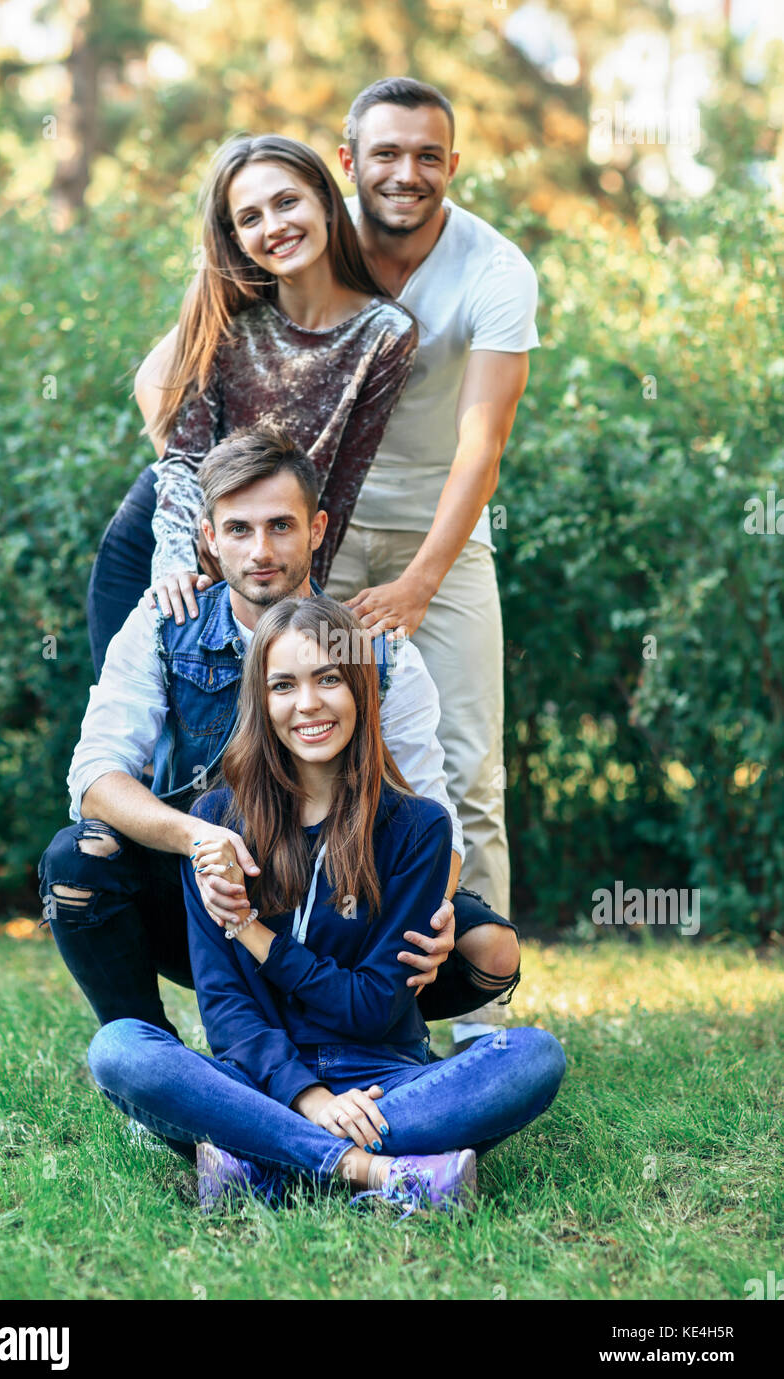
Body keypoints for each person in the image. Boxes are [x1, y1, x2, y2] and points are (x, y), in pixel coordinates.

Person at [87, 594, 566, 1216]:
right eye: (283, 684)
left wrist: (255, 934)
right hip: (261, 1082)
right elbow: (229, 1012)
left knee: (531, 1057)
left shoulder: (419, 828)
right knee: (121, 1047)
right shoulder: (215, 824)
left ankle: (261, 1164)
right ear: (262, 703)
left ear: (361, 689)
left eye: (329, 678)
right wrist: (308, 1097)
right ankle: (364, 1170)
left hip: (389, 1079)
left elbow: (372, 1007)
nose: (307, 703)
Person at [39, 428, 522, 1041]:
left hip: (346, 904)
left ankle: (343, 1031)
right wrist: (199, 839)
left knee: (490, 950)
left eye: (281, 526)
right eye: (239, 529)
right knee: (80, 859)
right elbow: (94, 776)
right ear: (209, 539)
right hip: (211, 898)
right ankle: (150, 1057)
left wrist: (437, 907)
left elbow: (435, 811)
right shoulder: (162, 626)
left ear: (317, 530)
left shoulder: (380, 654)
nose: (260, 549)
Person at [327, 77, 540, 1047]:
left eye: (426, 155)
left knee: (464, 767)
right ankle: (304, 998)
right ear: (349, 161)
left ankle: (480, 1022)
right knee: (302, 763)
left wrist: (418, 579)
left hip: (443, 539)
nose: (405, 172)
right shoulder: (308, 238)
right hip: (315, 530)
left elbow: (479, 446)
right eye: (385, 153)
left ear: (451, 164)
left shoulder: (494, 270)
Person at [87, 132, 417, 677]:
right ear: (237, 238)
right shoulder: (229, 319)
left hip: (264, 553)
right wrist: (174, 566)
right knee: (141, 750)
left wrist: (299, 605)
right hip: (168, 543)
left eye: (287, 202)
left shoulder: (386, 334)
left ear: (325, 203)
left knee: (255, 747)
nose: (275, 226)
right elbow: (186, 460)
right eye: (251, 217)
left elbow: (335, 487)